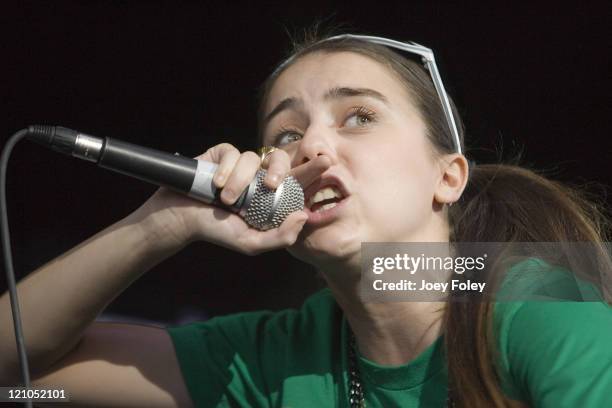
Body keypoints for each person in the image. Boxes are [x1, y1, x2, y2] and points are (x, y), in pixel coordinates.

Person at [1, 29, 611, 408]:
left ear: (447, 176)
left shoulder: (539, 298)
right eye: (285, 134)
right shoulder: (278, 355)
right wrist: (163, 223)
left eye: (359, 117)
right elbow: (21, 380)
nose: (312, 147)